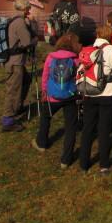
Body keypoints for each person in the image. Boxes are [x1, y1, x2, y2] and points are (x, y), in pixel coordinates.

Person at [78, 24, 112, 174]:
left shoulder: (87, 50)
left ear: (97, 35)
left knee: (88, 128)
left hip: (89, 92)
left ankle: (83, 164)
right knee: (104, 129)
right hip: (107, 93)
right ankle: (104, 165)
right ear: (109, 36)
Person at [32, 33, 81, 169]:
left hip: (52, 96)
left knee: (46, 117)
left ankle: (41, 143)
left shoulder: (50, 57)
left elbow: (45, 76)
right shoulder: (75, 59)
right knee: (71, 127)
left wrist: (44, 91)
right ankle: (66, 159)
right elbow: (79, 77)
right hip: (70, 96)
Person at [1, 0, 38, 132]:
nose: (29, 10)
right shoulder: (20, 23)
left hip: (14, 61)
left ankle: (17, 106)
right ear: (25, 8)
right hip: (15, 63)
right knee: (13, 90)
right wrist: (34, 39)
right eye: (28, 8)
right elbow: (27, 42)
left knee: (26, 80)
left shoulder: (13, 20)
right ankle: (8, 119)